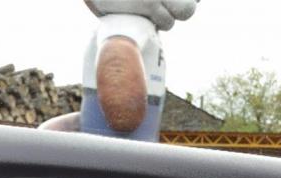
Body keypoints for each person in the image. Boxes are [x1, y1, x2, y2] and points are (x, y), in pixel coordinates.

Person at [39, 0, 198, 140]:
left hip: (127, 140)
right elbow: (116, 61)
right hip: (117, 149)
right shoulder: (126, 25)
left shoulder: (136, 28)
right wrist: (124, 115)